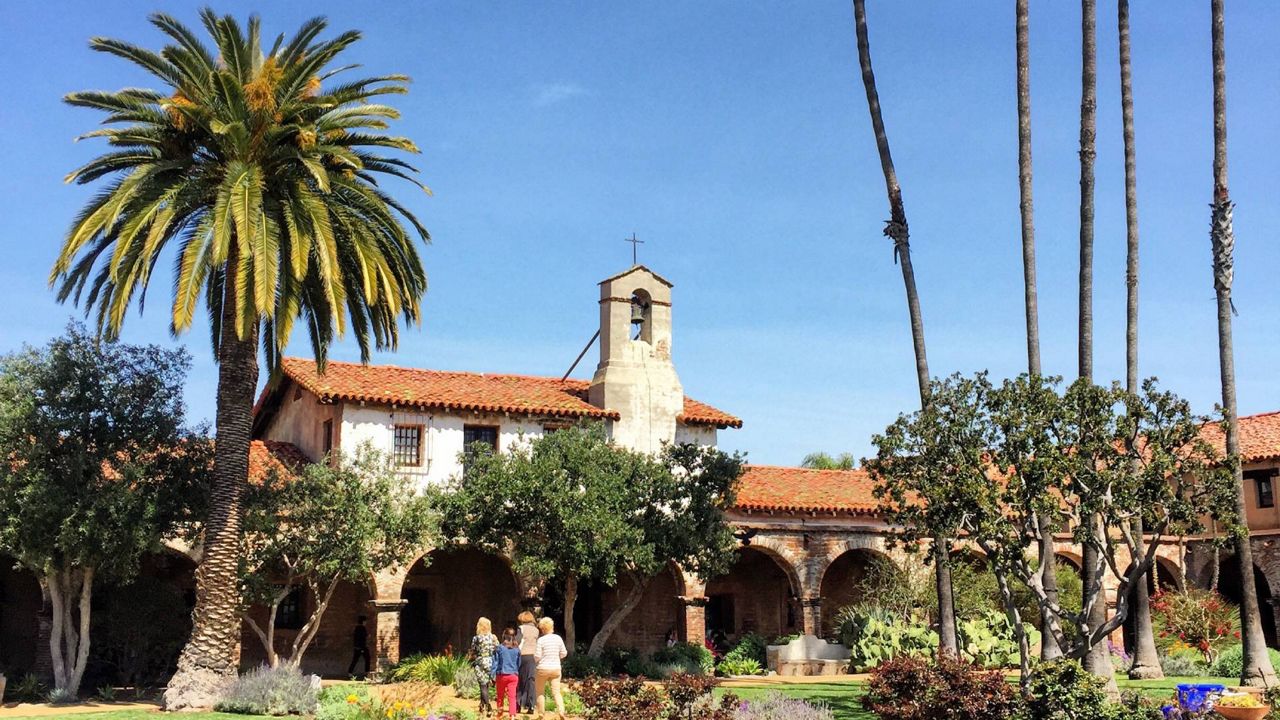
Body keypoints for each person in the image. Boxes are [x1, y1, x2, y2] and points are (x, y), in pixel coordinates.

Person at [533, 616, 568, 719]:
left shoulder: (541, 640)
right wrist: (557, 657)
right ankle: (561, 711)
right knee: (556, 692)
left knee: (540, 692)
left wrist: (536, 660)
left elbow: (537, 656)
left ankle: (541, 713)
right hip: (556, 668)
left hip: (542, 668)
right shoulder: (558, 638)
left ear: (542, 629)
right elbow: (564, 653)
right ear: (552, 627)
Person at [469, 617, 499, 716]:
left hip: (480, 662)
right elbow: (497, 648)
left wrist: (471, 660)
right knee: (486, 685)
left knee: (482, 685)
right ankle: (482, 705)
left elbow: (473, 651)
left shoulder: (476, 638)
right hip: (490, 662)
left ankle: (488, 707)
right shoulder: (493, 637)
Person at [492, 627, 522, 719]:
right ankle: (512, 715)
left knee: (500, 695)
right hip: (513, 675)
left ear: (504, 636)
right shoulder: (517, 649)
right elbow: (519, 663)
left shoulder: (500, 648)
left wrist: (492, 674)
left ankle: (500, 713)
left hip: (502, 674)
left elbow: (495, 662)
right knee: (512, 696)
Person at [516, 611, 540, 713]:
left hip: (522, 655)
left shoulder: (521, 629)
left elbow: (517, 641)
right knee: (531, 680)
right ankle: (531, 705)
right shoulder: (536, 630)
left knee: (520, 680)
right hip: (533, 657)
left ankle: (519, 703)